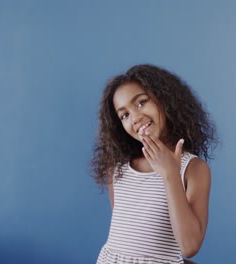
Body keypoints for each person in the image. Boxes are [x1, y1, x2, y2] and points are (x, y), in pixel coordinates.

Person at [91, 64, 217, 263]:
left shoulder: (192, 169)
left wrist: (170, 174)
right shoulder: (118, 169)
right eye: (124, 115)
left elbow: (190, 246)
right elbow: (133, 238)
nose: (136, 118)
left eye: (141, 102)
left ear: (165, 100)